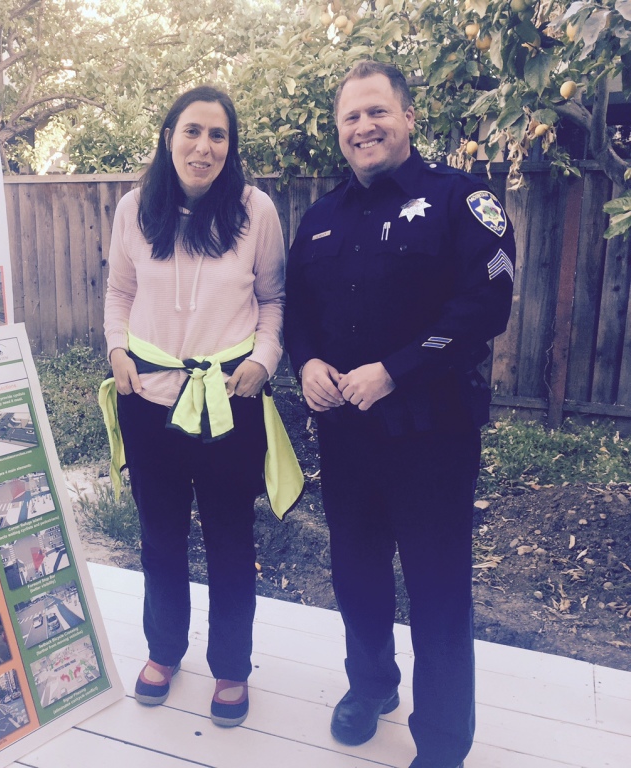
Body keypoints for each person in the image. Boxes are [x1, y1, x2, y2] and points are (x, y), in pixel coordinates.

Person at [283, 62, 515, 768]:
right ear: (339, 130)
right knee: (357, 574)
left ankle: (443, 743)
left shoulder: (459, 199)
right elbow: (297, 315)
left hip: (433, 438)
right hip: (347, 439)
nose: (364, 127)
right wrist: (307, 365)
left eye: (377, 112)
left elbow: (486, 308)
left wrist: (395, 371)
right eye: (351, 117)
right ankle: (372, 686)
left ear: (408, 117)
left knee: (438, 590)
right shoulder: (320, 219)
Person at [101, 85, 290, 728]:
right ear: (168, 136)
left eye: (217, 135)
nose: (203, 146)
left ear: (230, 147)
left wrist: (262, 362)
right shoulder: (134, 208)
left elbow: (273, 300)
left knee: (231, 539)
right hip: (148, 400)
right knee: (161, 536)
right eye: (192, 131)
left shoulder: (255, 211)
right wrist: (117, 354)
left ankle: (232, 666)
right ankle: (163, 650)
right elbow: (119, 293)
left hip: (228, 404)